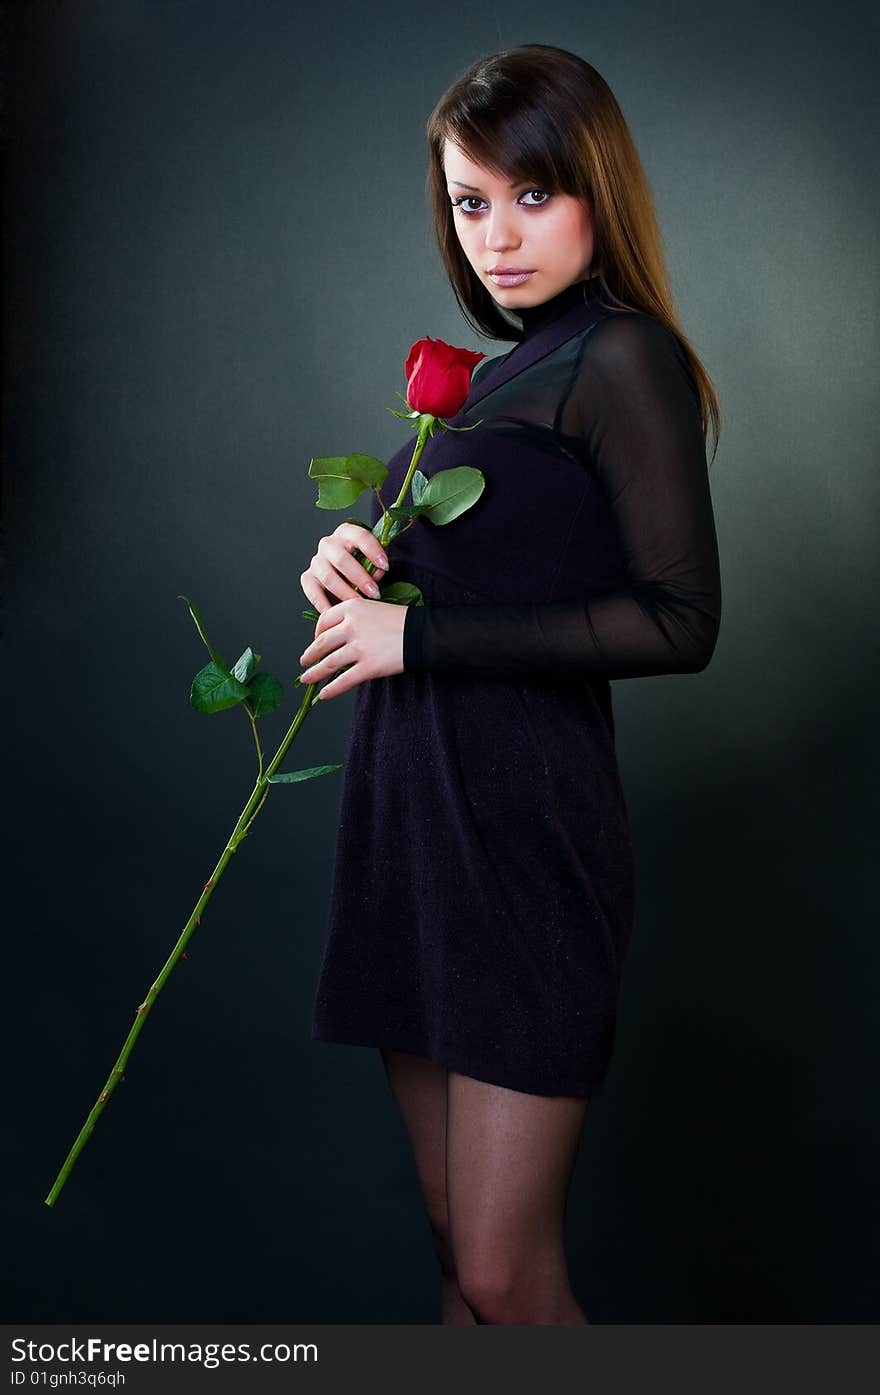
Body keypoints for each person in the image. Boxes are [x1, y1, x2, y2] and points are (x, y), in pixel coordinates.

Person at [298, 44, 722, 1325]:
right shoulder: (489, 383)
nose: (496, 234)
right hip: (414, 828)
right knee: (450, 1256)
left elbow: (680, 621)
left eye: (531, 196)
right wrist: (351, 561)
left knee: (500, 1271)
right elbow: (465, 585)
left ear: (595, 190)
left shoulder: (622, 357)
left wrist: (414, 642)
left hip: (523, 841)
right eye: (469, 202)